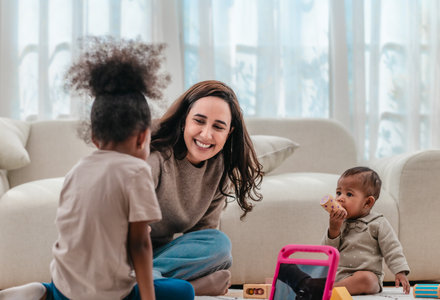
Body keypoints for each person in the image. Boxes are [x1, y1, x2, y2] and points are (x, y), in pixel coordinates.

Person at [0, 37, 194, 300]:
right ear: (142, 137)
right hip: (109, 295)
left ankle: (44, 291)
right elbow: (139, 244)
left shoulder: (77, 170)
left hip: (65, 289)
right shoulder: (136, 172)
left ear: (94, 137)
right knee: (184, 291)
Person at [147, 80, 264, 296]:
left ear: (229, 132)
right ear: (184, 121)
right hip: (121, 250)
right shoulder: (156, 158)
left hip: (157, 260)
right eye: (199, 121)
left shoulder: (219, 169)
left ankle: (147, 282)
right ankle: (159, 285)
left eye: (218, 127)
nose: (206, 134)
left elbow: (202, 235)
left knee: (219, 245)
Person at [321, 166, 410, 296]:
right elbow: (329, 251)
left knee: (367, 280)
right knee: (320, 272)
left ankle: (326, 290)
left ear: (367, 202)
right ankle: (330, 288)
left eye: (349, 194)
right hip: (340, 275)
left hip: (367, 276)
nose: (339, 198)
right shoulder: (339, 222)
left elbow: (392, 248)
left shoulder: (378, 223)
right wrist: (334, 229)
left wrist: (400, 271)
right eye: (338, 193)